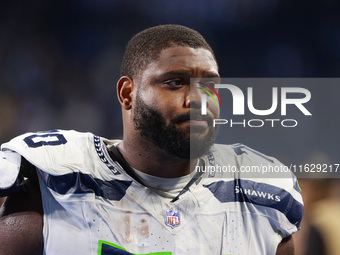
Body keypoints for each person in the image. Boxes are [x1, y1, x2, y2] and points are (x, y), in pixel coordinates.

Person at [0, 24, 303, 255]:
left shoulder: (263, 195)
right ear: (127, 93)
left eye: (209, 85)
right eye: (175, 83)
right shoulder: (54, 184)